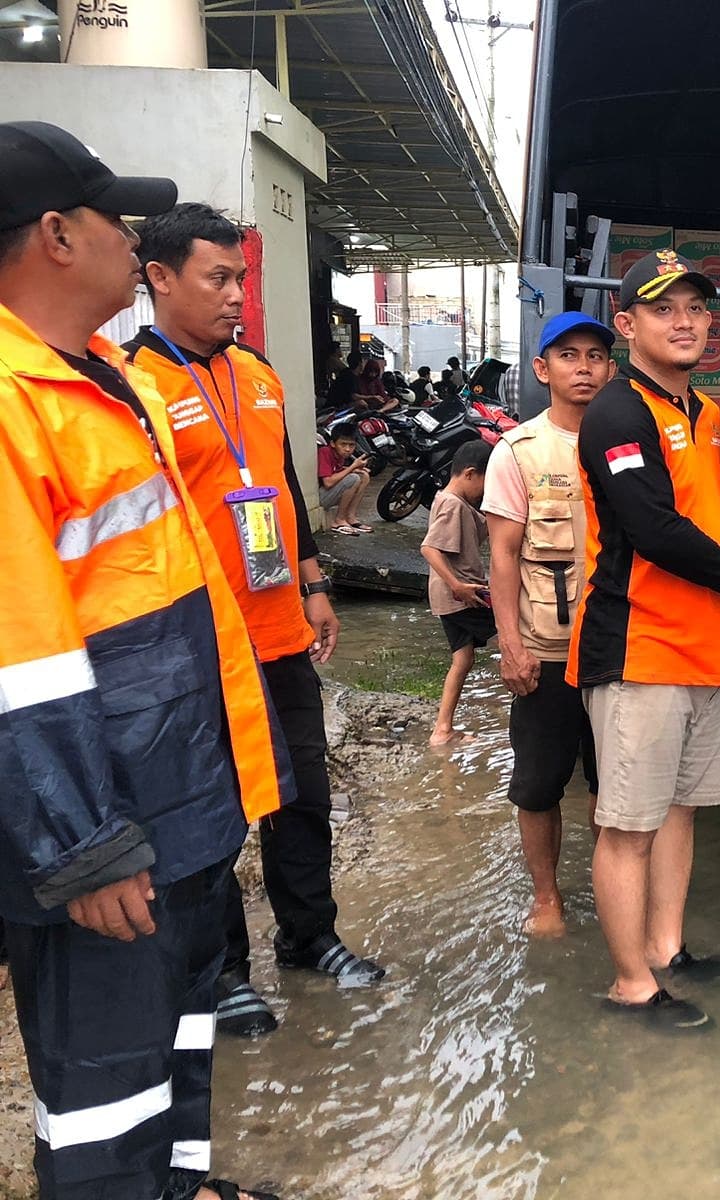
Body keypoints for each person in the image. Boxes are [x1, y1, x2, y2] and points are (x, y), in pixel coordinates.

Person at [0, 120, 290, 1200]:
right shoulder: (14, 406)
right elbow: (18, 662)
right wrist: (82, 846)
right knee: (104, 1090)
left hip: (178, 796)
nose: (134, 239)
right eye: (112, 218)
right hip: (107, 826)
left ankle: (182, 1187)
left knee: (178, 1037)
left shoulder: (105, 377)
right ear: (54, 236)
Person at [125, 202, 384, 1040]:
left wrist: (313, 583)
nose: (237, 294)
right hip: (198, 640)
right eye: (219, 277)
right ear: (160, 279)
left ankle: (311, 937)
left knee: (303, 791)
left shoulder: (260, 375)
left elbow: (278, 487)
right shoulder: (135, 389)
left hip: (278, 629)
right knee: (214, 813)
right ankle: (225, 973)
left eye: (241, 277)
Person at [570, 251, 720, 1032]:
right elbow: (651, 529)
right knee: (628, 825)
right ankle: (629, 984)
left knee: (680, 810)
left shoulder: (711, 415)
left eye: (697, 308)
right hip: (637, 648)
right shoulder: (618, 413)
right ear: (628, 325)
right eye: (663, 308)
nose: (684, 322)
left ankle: (668, 950)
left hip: (704, 647)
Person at [483, 312, 614, 937]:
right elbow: (502, 556)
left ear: (612, 368)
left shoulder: (628, 444)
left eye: (595, 356)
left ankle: (609, 891)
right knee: (537, 785)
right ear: (543, 370)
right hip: (548, 648)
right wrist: (511, 645)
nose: (583, 367)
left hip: (619, 649)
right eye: (568, 356)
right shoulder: (519, 452)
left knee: (613, 786)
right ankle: (546, 899)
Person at [421, 439, 496, 746]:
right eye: (485, 482)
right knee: (519, 630)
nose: (485, 491)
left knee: (462, 659)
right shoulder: (452, 504)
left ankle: (442, 729)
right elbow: (428, 547)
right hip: (463, 595)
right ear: (469, 474)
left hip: (449, 596)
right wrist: (457, 585)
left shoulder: (450, 500)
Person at [316, 422, 373, 534]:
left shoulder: (340, 455)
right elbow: (328, 482)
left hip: (331, 493)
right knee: (353, 479)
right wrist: (352, 467)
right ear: (333, 443)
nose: (347, 449)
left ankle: (350, 517)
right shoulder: (325, 452)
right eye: (343, 444)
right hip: (321, 497)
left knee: (364, 476)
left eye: (351, 445)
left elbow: (337, 471)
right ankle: (339, 520)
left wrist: (354, 468)